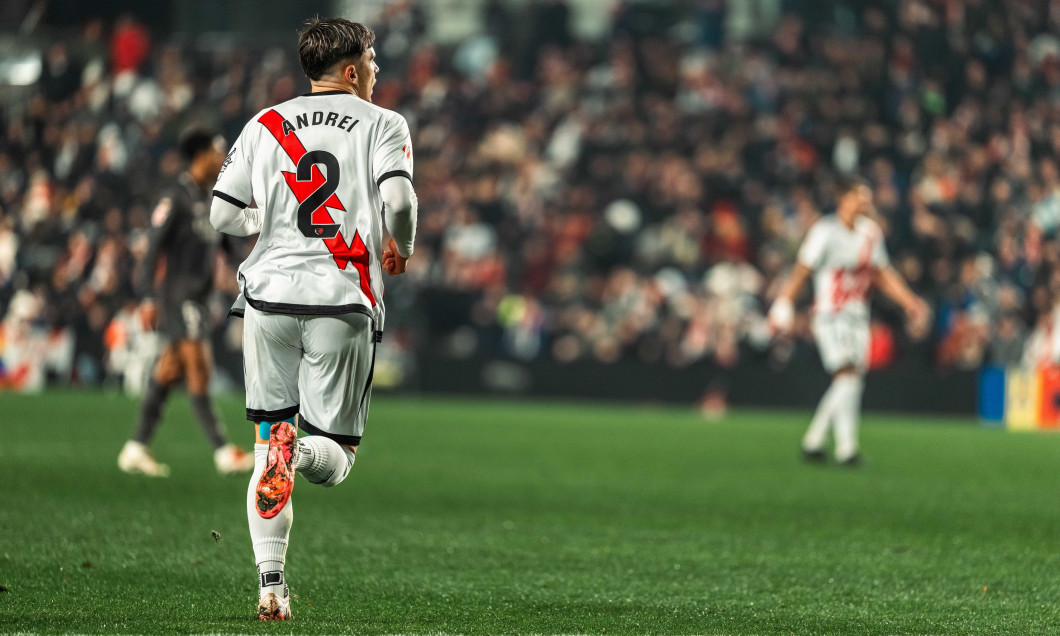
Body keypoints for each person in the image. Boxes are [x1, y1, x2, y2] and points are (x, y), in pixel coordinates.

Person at [209, 18, 418, 621]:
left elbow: (222, 214)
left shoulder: (264, 122)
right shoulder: (384, 124)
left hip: (267, 300)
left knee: (265, 445)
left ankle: (271, 588)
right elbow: (400, 200)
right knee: (336, 456)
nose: (377, 72)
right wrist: (399, 246)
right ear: (352, 71)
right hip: (341, 297)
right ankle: (298, 455)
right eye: (373, 62)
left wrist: (266, 226)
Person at [118, 129, 255, 477]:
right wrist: (147, 297)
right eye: (218, 149)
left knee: (169, 370)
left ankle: (135, 448)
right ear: (201, 154)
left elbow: (227, 244)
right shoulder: (175, 197)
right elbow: (152, 249)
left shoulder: (213, 197)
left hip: (201, 297)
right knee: (200, 368)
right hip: (178, 296)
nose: (223, 156)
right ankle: (224, 452)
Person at [768, 177, 928, 466]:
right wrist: (783, 302)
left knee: (852, 379)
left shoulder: (871, 233)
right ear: (844, 198)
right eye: (860, 196)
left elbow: (882, 273)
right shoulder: (825, 232)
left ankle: (837, 446)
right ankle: (826, 442)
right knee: (846, 374)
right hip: (830, 315)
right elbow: (802, 270)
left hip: (857, 316)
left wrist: (909, 301)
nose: (866, 202)